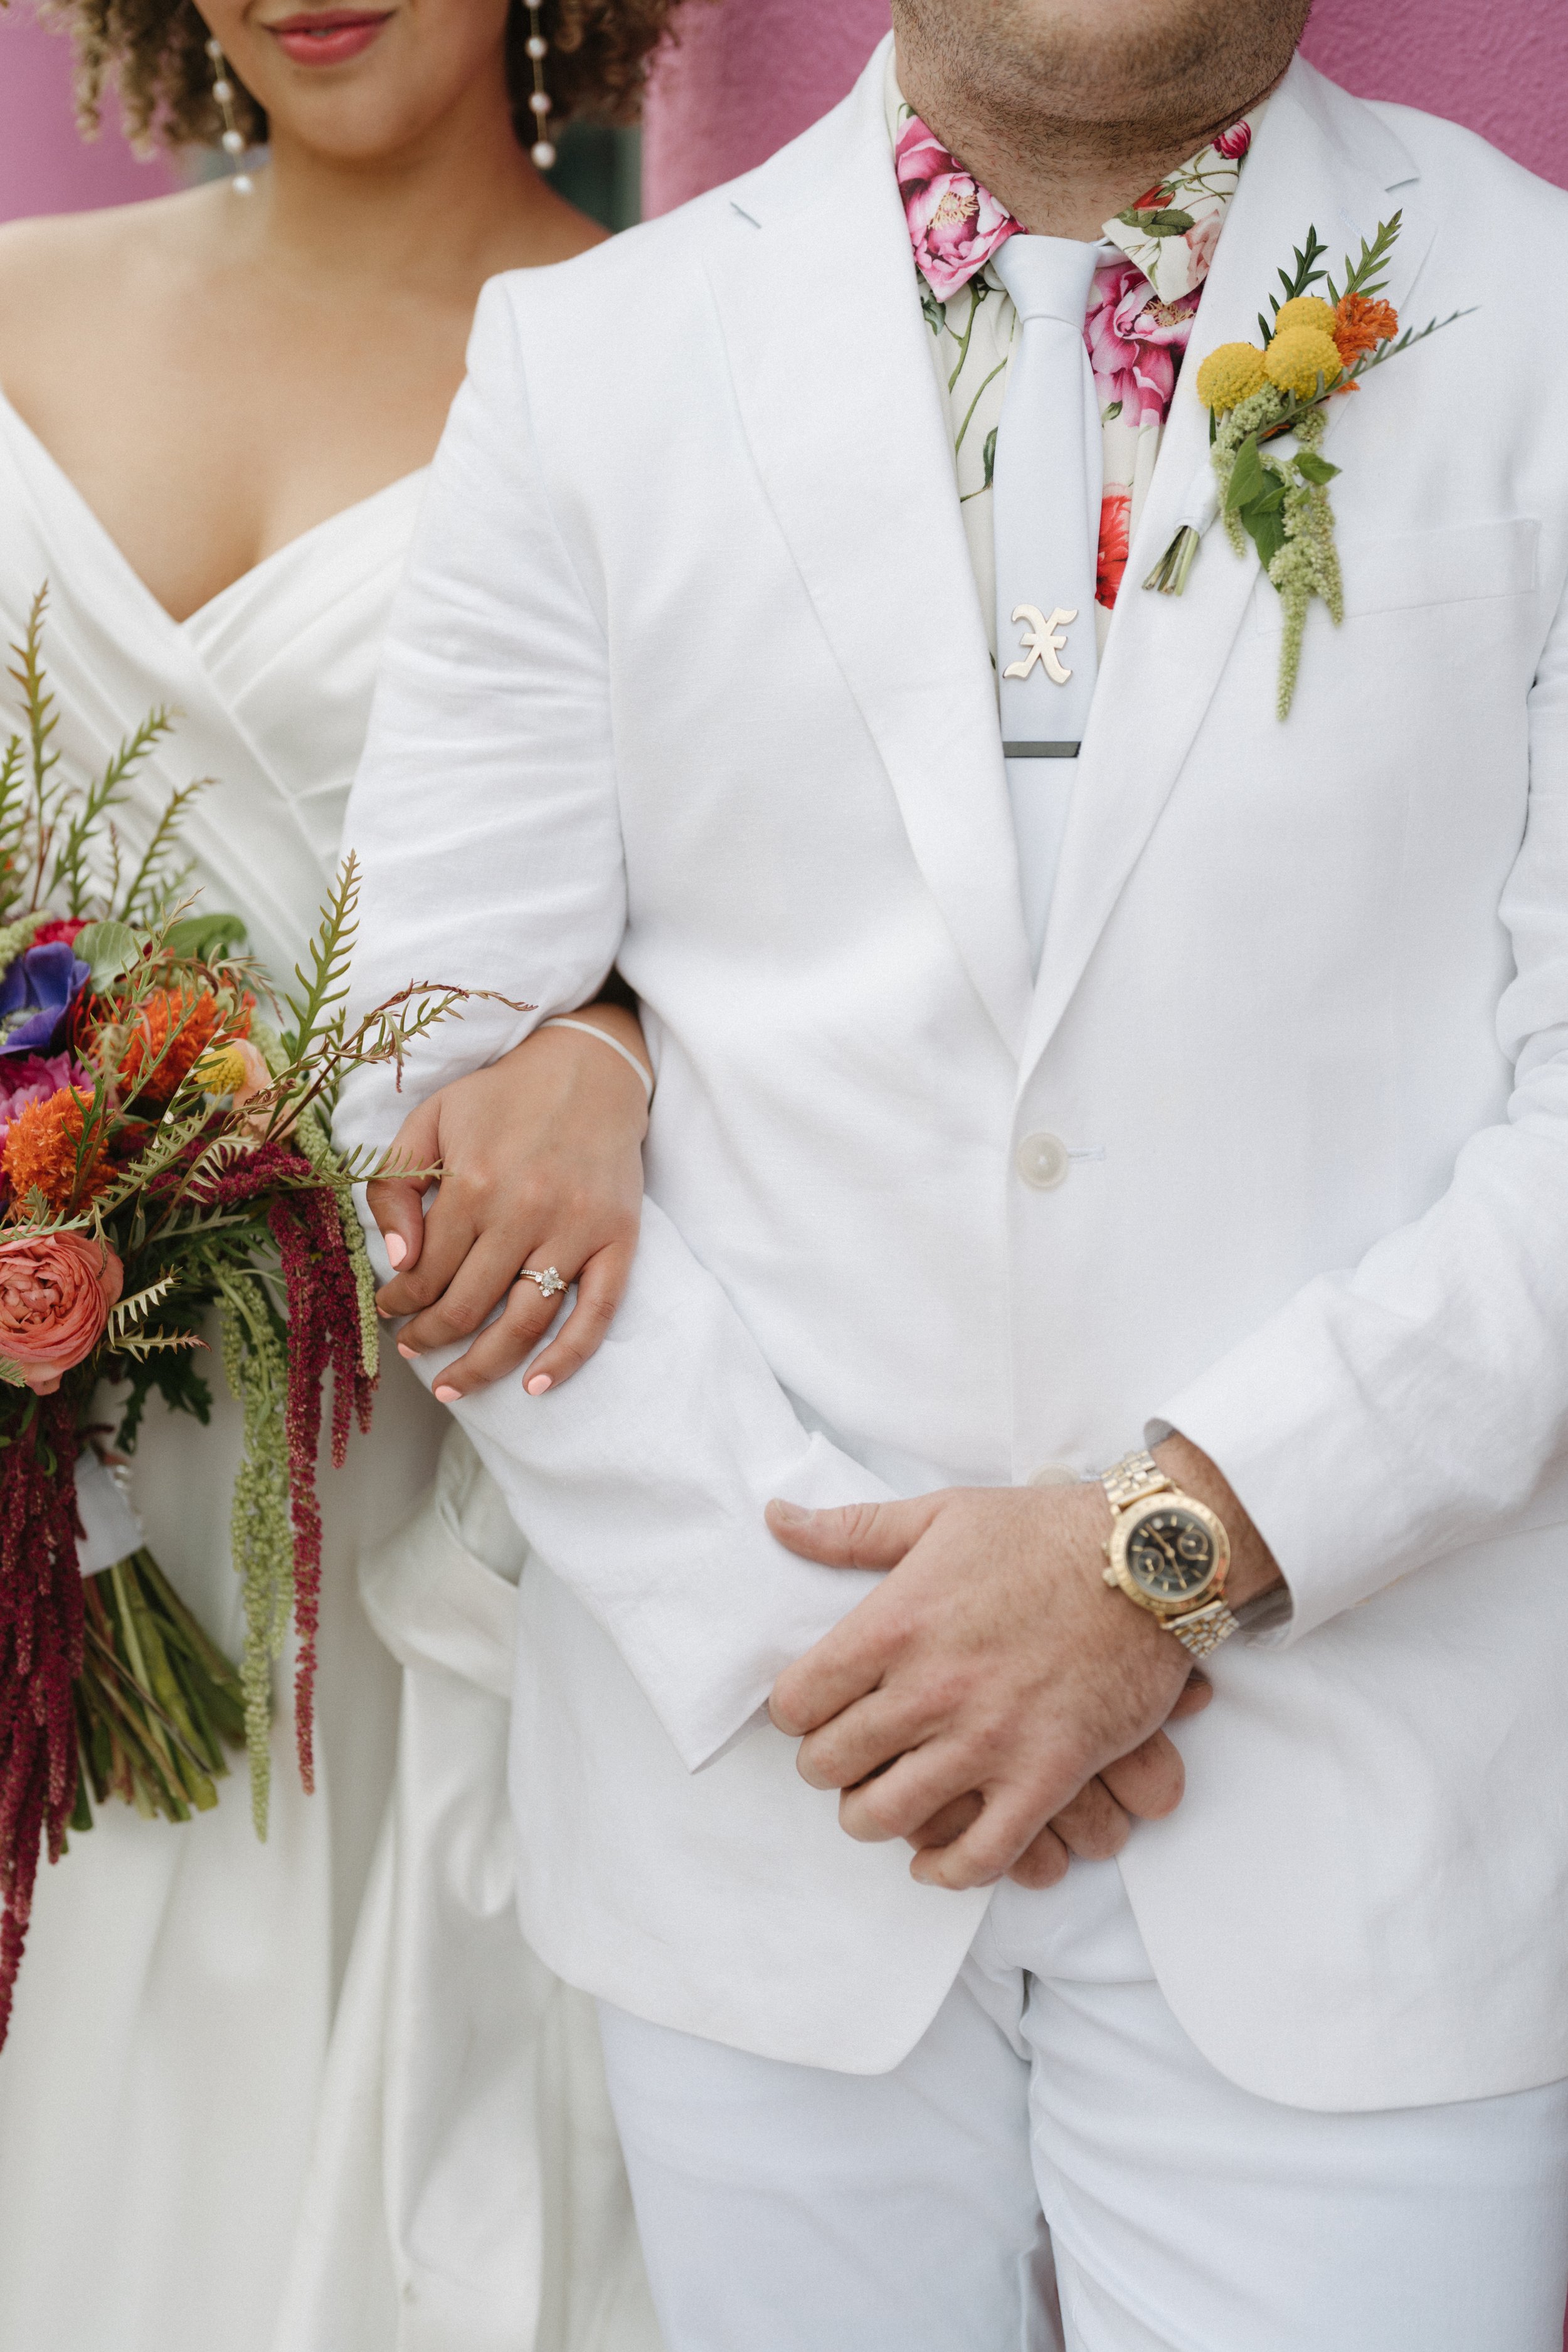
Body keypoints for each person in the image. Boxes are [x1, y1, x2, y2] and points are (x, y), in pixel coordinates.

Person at [337, 0, 1568, 2344]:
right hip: (773, 1813)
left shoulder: (1546, 326)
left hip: (1364, 1807)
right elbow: (427, 1080)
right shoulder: (589, 365)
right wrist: (869, 1659)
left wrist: (1155, 1565)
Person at [0, 4, 672, 2346]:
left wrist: (613, 1047)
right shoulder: (9, 302)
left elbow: (795, 922)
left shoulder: (665, 364)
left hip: (391, 1467)